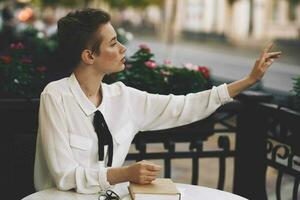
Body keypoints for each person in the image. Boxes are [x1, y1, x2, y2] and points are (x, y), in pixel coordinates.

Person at [34, 8, 281, 194]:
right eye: (112, 43)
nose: (123, 48)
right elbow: (64, 177)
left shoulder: (124, 98)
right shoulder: (55, 97)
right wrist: (125, 173)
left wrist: (248, 80)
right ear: (89, 55)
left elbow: (184, 106)